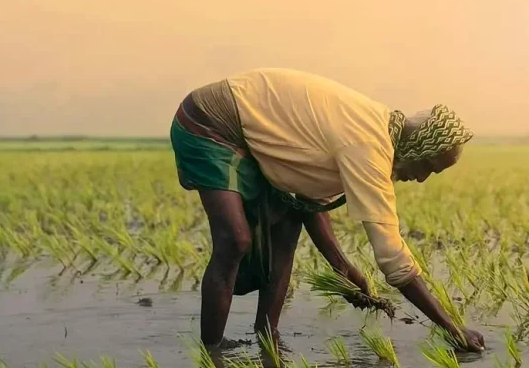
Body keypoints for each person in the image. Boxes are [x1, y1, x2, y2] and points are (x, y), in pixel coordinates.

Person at [170, 68, 485, 352]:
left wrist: (343, 269)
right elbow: (393, 259)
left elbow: (309, 202)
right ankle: (212, 350)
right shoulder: (369, 146)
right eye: (428, 166)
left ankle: (267, 335)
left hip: (250, 134)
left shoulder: (375, 129)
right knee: (235, 239)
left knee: (287, 226)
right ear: (418, 147)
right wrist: (452, 328)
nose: (421, 178)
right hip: (210, 120)